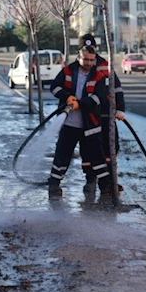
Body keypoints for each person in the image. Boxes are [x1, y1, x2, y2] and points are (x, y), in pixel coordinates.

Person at [46, 46, 112, 197]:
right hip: (69, 123)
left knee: (96, 156)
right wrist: (67, 97)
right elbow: (54, 87)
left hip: (90, 124)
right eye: (85, 59)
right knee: (62, 155)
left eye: (91, 60)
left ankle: (105, 187)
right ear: (78, 57)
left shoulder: (99, 76)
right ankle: (54, 185)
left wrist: (80, 104)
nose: (88, 63)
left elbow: (98, 98)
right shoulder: (68, 71)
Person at [79, 34, 126, 197]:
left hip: (106, 115)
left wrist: (120, 109)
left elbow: (117, 88)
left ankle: (108, 182)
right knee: (89, 150)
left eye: (93, 48)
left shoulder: (105, 65)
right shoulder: (77, 68)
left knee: (111, 147)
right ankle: (91, 179)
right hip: (88, 116)